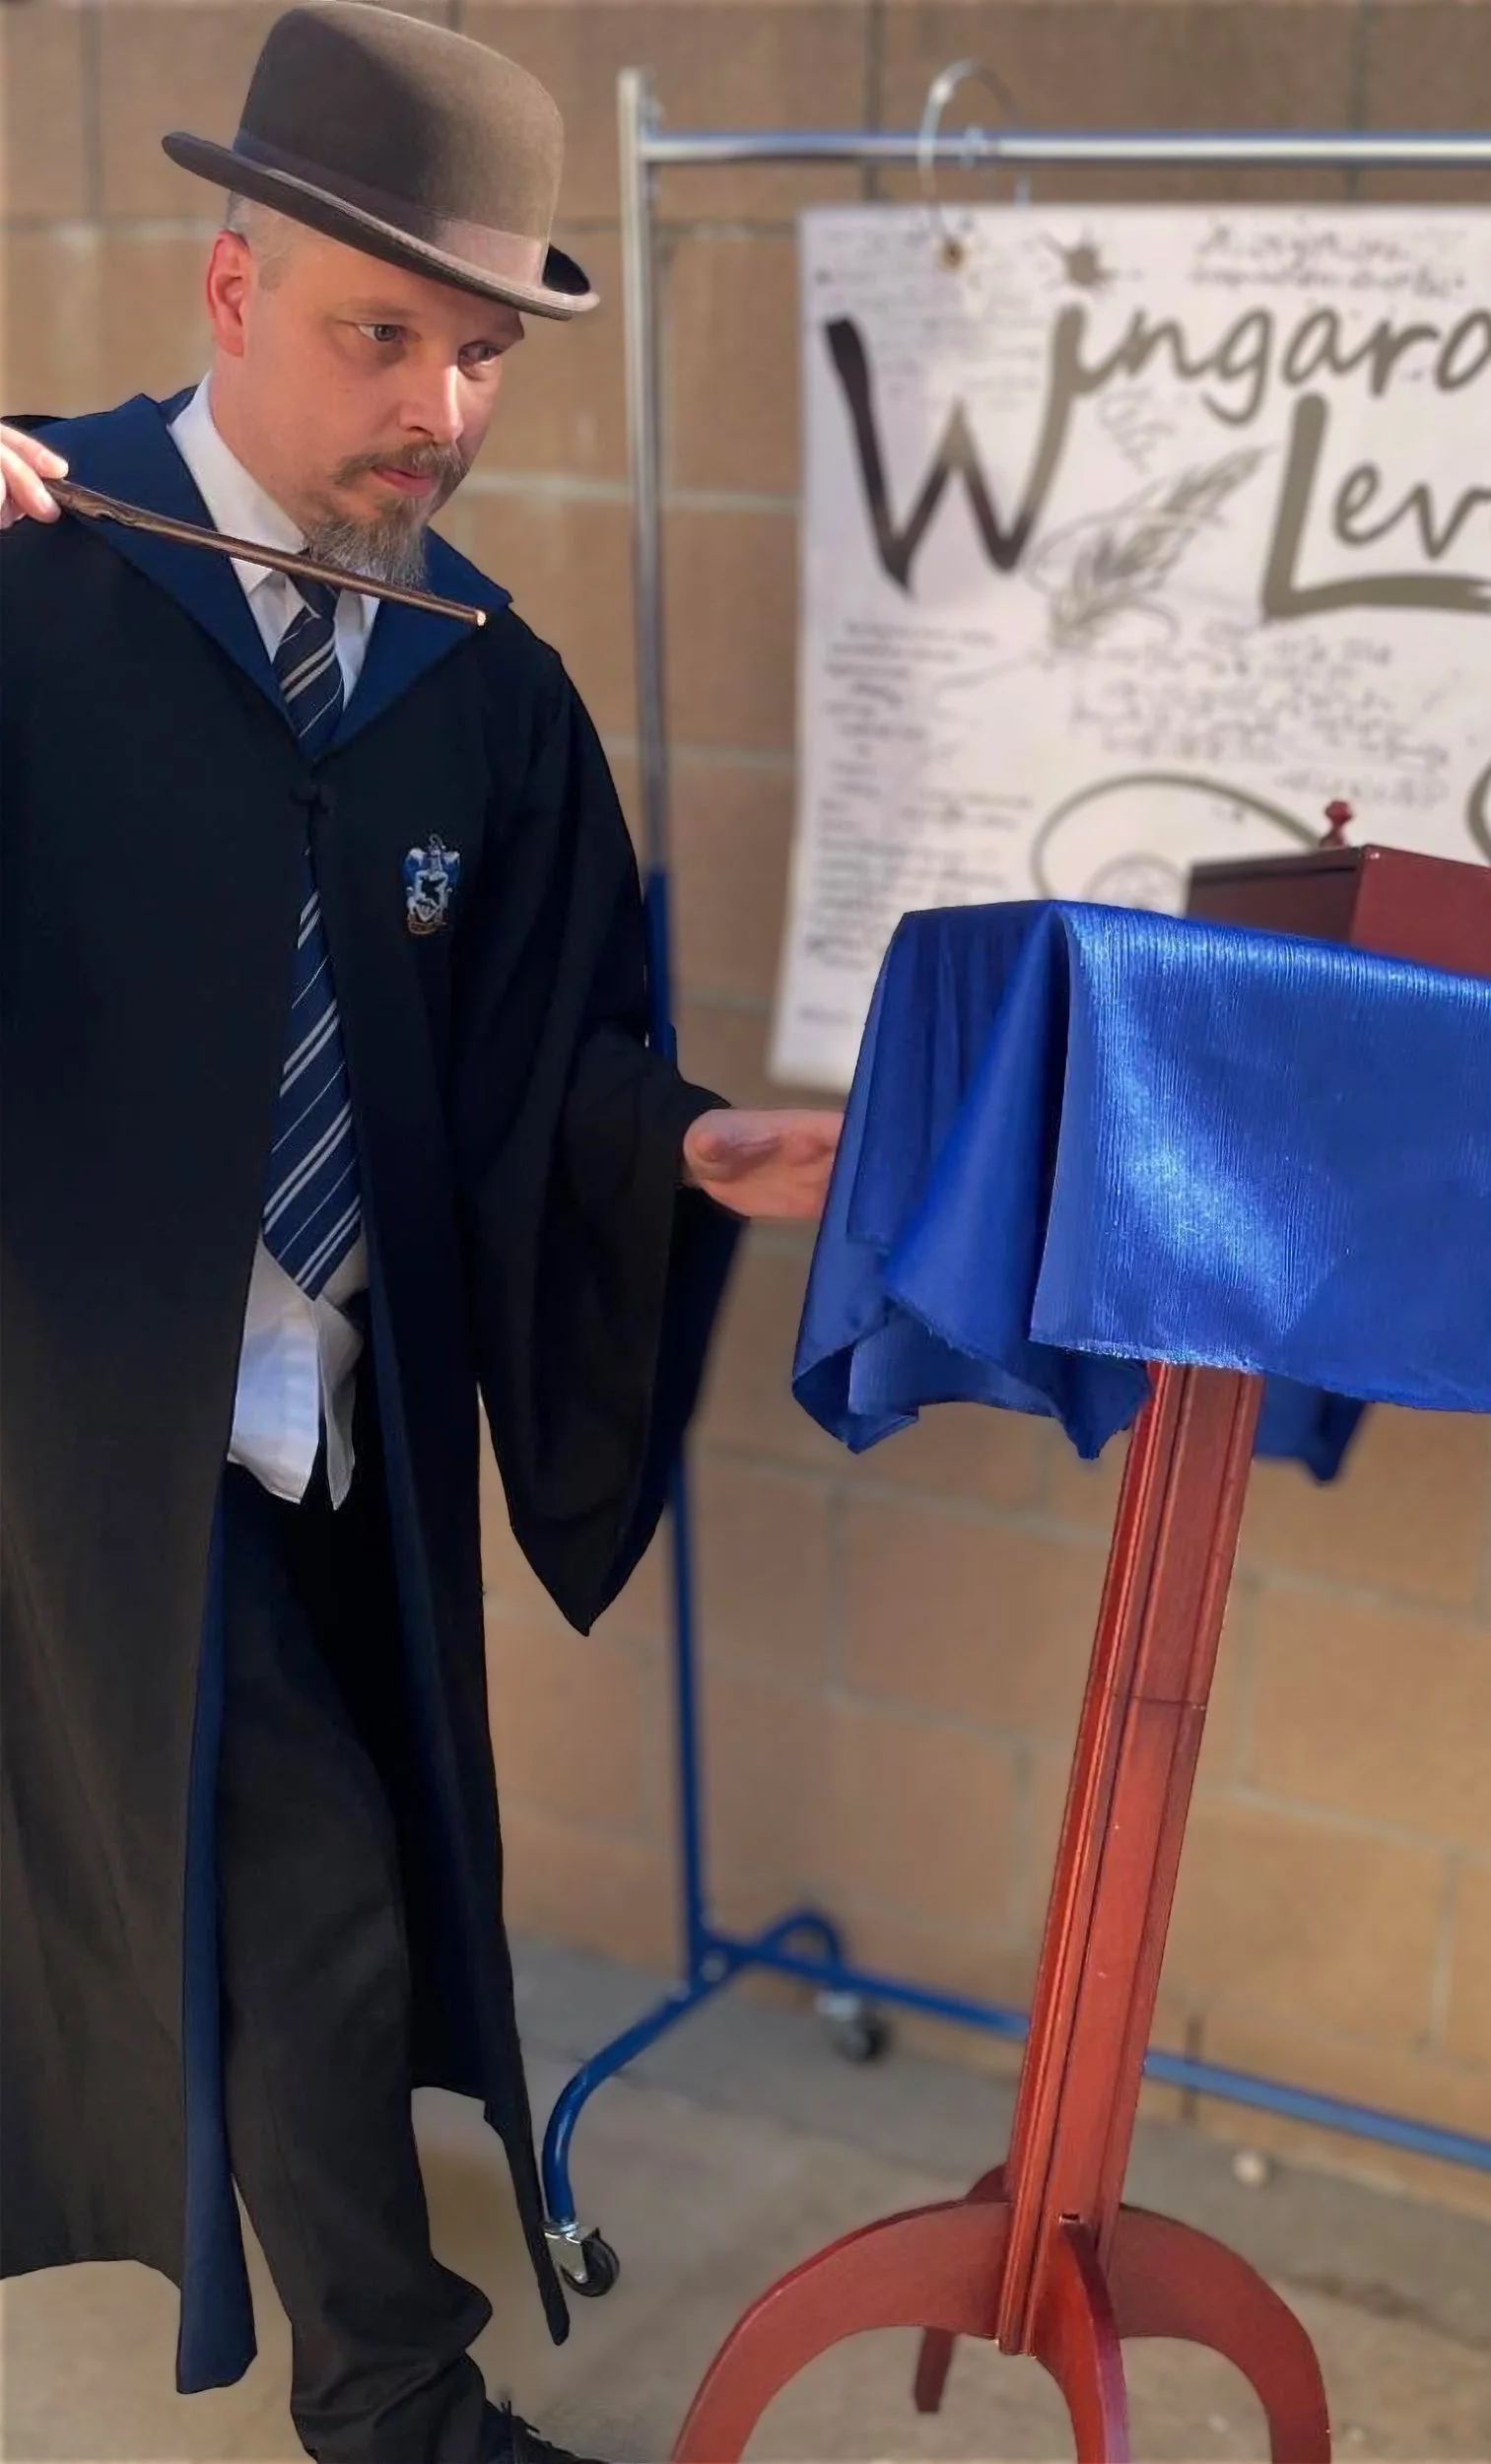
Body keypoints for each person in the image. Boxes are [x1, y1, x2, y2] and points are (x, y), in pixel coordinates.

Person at [0, 10, 842, 2460]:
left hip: (321, 1410)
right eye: (389, 336)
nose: (443, 410)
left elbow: (536, 1059)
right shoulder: (37, 569)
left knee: (299, 1880)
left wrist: (675, 1152)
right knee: (310, 1879)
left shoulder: (474, 688)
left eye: (480, 353)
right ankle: (402, 2406)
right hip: (67, 1414)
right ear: (230, 285)